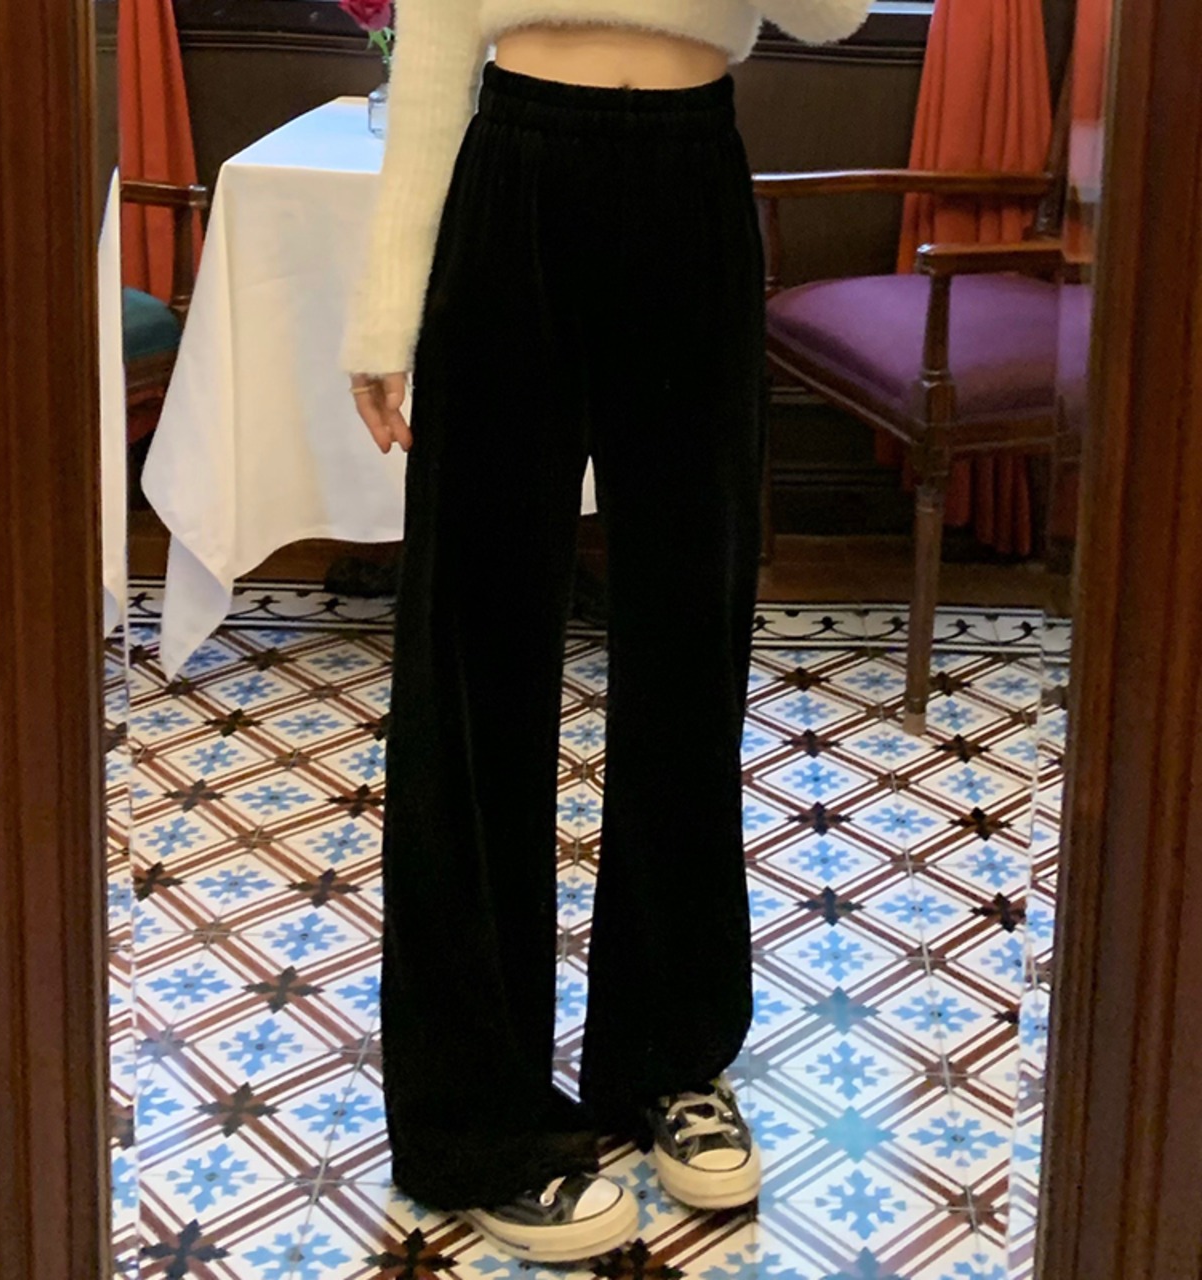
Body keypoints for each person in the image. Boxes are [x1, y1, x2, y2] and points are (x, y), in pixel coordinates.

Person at [340, 0, 869, 1264]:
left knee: (690, 646)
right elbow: (438, 47)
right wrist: (384, 313)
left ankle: (667, 1056)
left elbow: (836, 14)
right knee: (474, 652)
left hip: (693, 180)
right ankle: (473, 1112)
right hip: (516, 174)